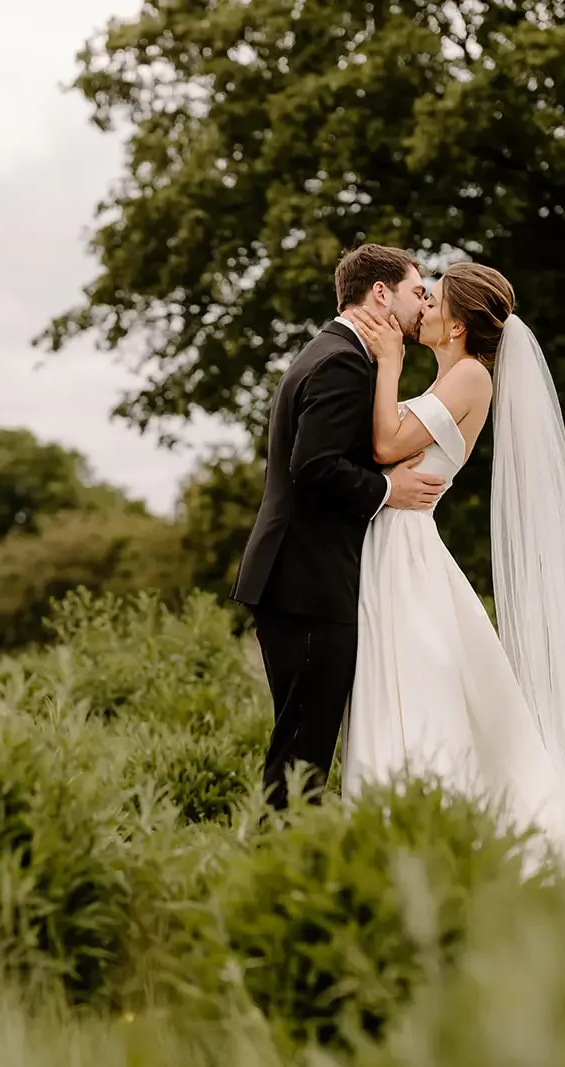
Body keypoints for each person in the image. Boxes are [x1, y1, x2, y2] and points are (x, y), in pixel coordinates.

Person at [341, 261, 565, 876]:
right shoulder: (452, 376)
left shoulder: (472, 376)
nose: (420, 306)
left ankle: (434, 842)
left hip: (407, 548)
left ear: (454, 325)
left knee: (422, 687)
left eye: (433, 299)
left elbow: (387, 444)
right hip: (395, 542)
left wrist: (388, 363)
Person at [231, 244, 443, 809]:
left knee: (301, 742)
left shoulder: (332, 352)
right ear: (381, 293)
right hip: (307, 583)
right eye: (416, 292)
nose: (422, 305)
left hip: (299, 579)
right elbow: (314, 467)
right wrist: (388, 489)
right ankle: (278, 872)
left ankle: (280, 862)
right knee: (302, 750)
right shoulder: (343, 362)